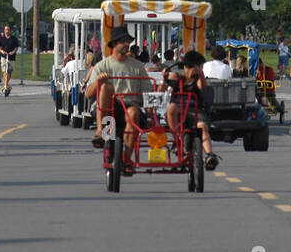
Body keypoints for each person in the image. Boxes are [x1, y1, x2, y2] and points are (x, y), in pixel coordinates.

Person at [85, 26, 150, 160]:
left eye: (128, 41)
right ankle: (101, 131)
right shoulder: (102, 66)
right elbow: (88, 94)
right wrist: (99, 82)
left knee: (134, 113)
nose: (127, 44)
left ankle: (126, 159)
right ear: (114, 43)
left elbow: (148, 94)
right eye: (123, 41)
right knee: (106, 87)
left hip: (130, 107)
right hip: (108, 111)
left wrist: (150, 115)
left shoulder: (138, 66)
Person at [164, 50, 220, 169]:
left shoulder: (198, 79)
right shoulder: (177, 77)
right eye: (200, 66)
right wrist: (165, 77)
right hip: (178, 111)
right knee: (171, 108)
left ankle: (210, 155)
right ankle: (177, 139)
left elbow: (202, 86)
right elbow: (161, 87)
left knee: (202, 127)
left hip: (195, 111)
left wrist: (200, 74)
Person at [0, 23, 20, 96]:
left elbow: (16, 47)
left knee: (9, 72)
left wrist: (13, 52)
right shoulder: (1, 39)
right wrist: (2, 51)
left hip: (11, 57)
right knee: (5, 71)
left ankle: (6, 85)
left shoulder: (14, 39)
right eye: (6, 29)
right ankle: (6, 86)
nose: (7, 31)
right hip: (4, 57)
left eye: (8, 30)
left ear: (10, 30)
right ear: (4, 30)